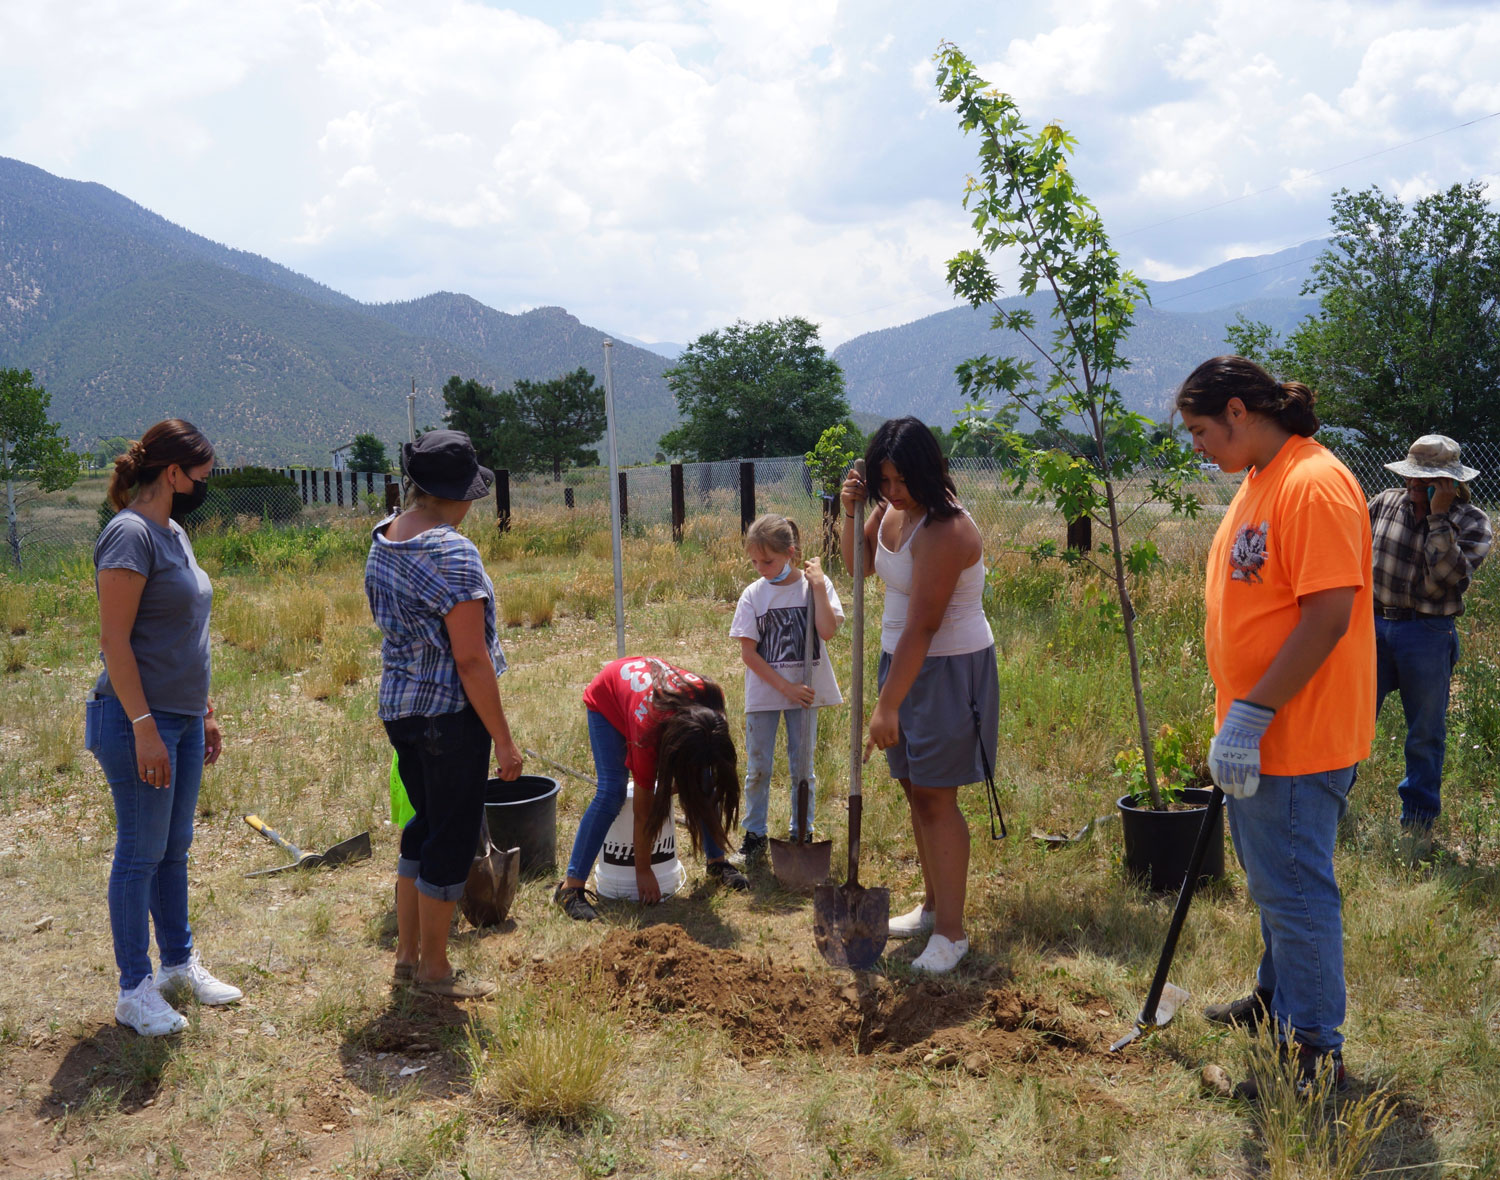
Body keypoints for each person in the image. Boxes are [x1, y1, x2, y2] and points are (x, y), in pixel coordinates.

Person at [1177, 356, 1375, 1095]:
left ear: (1237, 410)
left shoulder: (1312, 483)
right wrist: (1234, 714)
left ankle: (1316, 1054)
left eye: (1200, 429)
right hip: (1258, 731)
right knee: (1274, 883)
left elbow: (1328, 617)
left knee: (1295, 891)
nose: (1197, 446)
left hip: (1297, 734)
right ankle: (1275, 999)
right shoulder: (1262, 478)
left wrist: (1254, 714)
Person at [89, 420, 241, 1037]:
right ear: (173, 473)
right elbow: (114, 642)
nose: (204, 485)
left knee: (173, 850)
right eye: (200, 475)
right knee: (139, 855)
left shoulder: (174, 532)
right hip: (135, 724)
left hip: (178, 719)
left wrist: (202, 710)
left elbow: (186, 635)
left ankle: (178, 965)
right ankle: (135, 989)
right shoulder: (128, 534)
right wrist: (145, 727)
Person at [365, 430, 524, 999]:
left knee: (423, 828)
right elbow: (471, 659)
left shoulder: (383, 537)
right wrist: (503, 741)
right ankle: (434, 969)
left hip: (401, 710)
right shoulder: (453, 551)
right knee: (452, 839)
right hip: (448, 718)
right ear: (459, 495)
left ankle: (407, 958)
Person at [840, 418, 998, 975]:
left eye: (902, 478)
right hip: (900, 661)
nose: (893, 488)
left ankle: (952, 934)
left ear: (928, 471)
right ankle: (932, 908)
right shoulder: (888, 512)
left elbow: (925, 625)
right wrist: (851, 511)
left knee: (935, 797)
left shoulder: (947, 529)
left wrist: (886, 705)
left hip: (947, 666)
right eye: (884, 478)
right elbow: (858, 568)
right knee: (914, 789)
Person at [555, 656, 746, 920]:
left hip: (649, 699)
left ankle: (717, 863)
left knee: (704, 780)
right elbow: (643, 812)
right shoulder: (648, 734)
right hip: (608, 696)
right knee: (612, 793)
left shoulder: (711, 702)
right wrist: (643, 871)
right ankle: (570, 889)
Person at [1368, 434, 1492, 834]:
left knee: (1424, 733)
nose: (1415, 486)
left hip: (1428, 632)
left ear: (1450, 482)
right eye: (1412, 477)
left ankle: (1418, 821)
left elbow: (1447, 579)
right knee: (1350, 719)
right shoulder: (1383, 502)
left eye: (1428, 480)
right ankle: (1329, 801)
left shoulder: (1472, 522)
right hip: (1372, 625)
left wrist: (1439, 518)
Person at [731, 515, 844, 860]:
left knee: (802, 767)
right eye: (754, 562)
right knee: (759, 766)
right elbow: (749, 654)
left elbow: (826, 631)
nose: (761, 568)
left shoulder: (815, 587)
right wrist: (786, 688)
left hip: (806, 695)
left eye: (768, 561)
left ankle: (802, 835)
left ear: (791, 553)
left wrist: (819, 585)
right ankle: (754, 835)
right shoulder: (753, 595)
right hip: (766, 694)